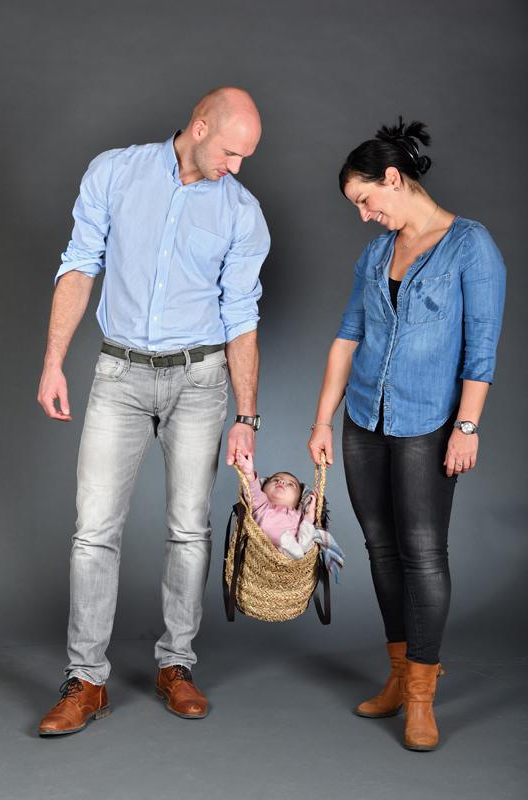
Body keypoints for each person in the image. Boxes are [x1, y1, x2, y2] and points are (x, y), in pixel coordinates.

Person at [36, 87, 270, 736]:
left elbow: (241, 316)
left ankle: (176, 665)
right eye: (231, 152)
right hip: (119, 376)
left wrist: (246, 417)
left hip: (200, 381)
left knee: (189, 531)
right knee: (93, 532)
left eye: (245, 158)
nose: (236, 167)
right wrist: (53, 363)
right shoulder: (115, 172)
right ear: (200, 126)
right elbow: (80, 264)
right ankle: (86, 680)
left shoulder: (242, 212)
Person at [308, 117, 506, 751]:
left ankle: (421, 694)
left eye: (366, 200)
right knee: (380, 548)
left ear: (393, 178)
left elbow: (481, 351)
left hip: (428, 423)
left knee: (423, 552)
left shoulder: (471, 246)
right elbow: (347, 338)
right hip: (364, 420)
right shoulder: (376, 254)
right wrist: (322, 421)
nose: (364, 215)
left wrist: (467, 426)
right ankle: (397, 676)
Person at [235, 452, 318, 558]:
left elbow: (308, 522)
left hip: (296, 544)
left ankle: (298, 551)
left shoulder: (298, 513)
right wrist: (249, 474)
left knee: (307, 532)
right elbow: (252, 490)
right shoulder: (261, 505)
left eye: (290, 484)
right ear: (263, 488)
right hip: (268, 549)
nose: (282, 482)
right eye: (276, 480)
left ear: (298, 500)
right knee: (290, 542)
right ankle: (292, 551)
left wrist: (310, 512)